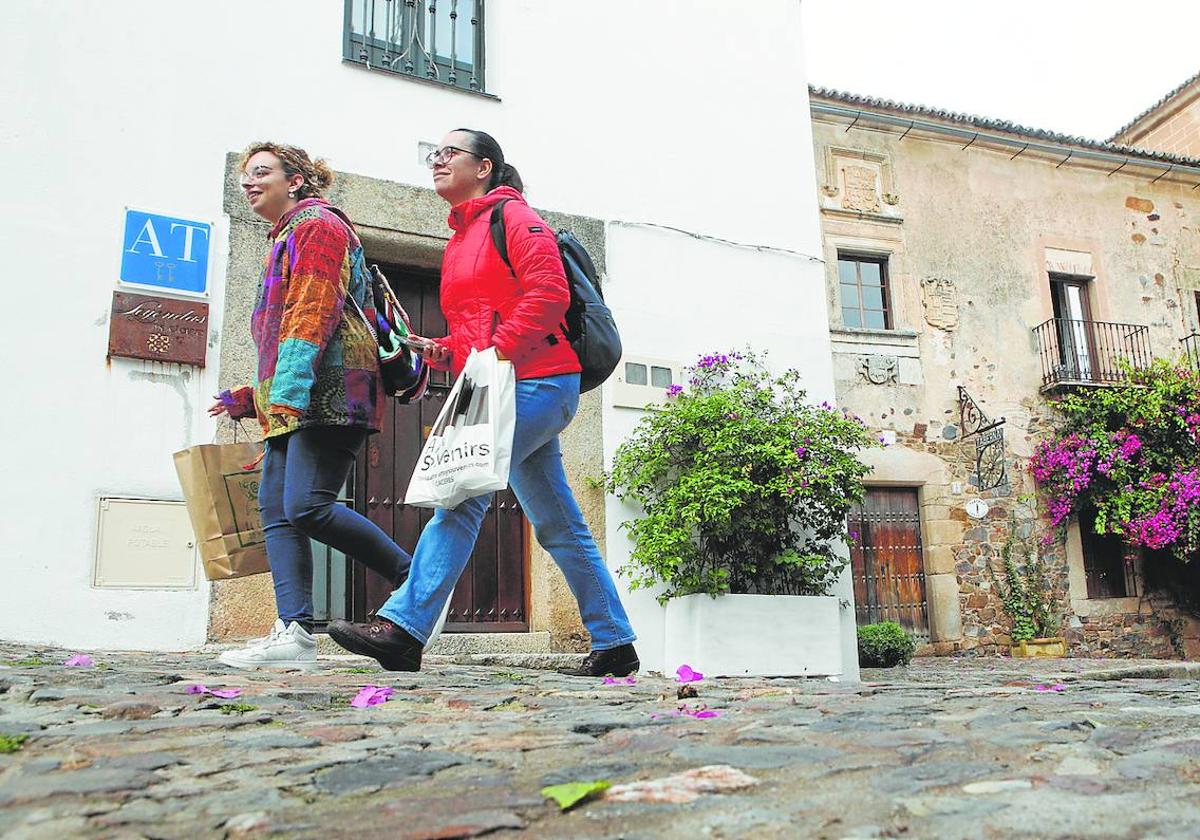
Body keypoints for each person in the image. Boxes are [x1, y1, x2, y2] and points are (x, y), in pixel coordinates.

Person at [329, 129, 638, 677]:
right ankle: (615, 643)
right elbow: (478, 329)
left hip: (538, 382)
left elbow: (549, 296)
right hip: (503, 381)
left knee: (462, 491)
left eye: (451, 152)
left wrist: (493, 354)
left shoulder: (516, 219)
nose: (438, 159)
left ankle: (404, 627)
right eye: (434, 153)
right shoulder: (460, 239)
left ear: (486, 167)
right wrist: (439, 350)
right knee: (559, 525)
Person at [210, 142, 411, 670]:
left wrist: (288, 396)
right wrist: (252, 399)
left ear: (295, 180)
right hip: (301, 398)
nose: (249, 183)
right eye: (244, 176)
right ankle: (294, 633)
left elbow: (312, 312)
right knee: (278, 512)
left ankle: (415, 580)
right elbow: (285, 334)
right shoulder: (284, 236)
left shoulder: (317, 225)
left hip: (331, 395)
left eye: (262, 173)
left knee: (305, 505)